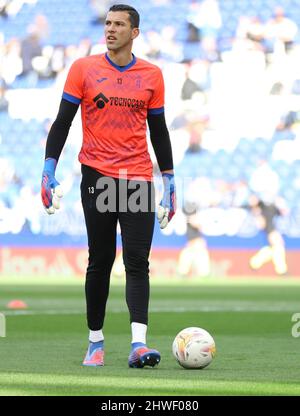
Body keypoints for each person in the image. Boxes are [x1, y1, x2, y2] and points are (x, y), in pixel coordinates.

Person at [40, 4, 176, 368]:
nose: (110, 29)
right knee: (100, 260)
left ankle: (138, 344)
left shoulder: (152, 75)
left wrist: (169, 177)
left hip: (136, 177)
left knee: (137, 261)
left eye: (119, 24)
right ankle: (95, 342)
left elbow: (159, 131)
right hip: (97, 175)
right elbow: (62, 123)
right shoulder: (83, 69)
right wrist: (49, 166)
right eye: (108, 23)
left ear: (135, 33)